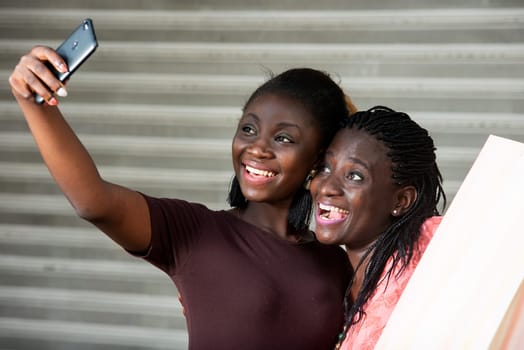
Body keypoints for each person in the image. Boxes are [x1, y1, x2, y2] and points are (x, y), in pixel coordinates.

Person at [9, 46, 354, 349]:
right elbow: (92, 200)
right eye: (248, 129)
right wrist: (35, 103)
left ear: (317, 158)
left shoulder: (336, 263)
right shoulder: (195, 232)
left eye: (283, 138)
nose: (257, 148)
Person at [310, 106, 447, 350]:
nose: (326, 187)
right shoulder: (333, 278)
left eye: (354, 176)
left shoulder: (436, 251)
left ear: (401, 201)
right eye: (325, 168)